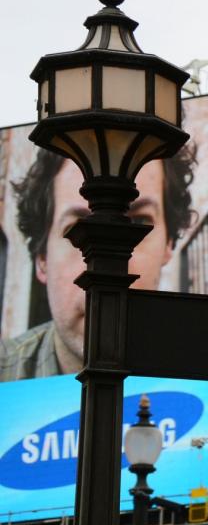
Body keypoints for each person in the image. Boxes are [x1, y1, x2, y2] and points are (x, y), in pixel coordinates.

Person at [0, 147, 195, 381]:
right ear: (42, 258)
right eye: (78, 229)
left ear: (168, 245)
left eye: (139, 222)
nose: (108, 263)